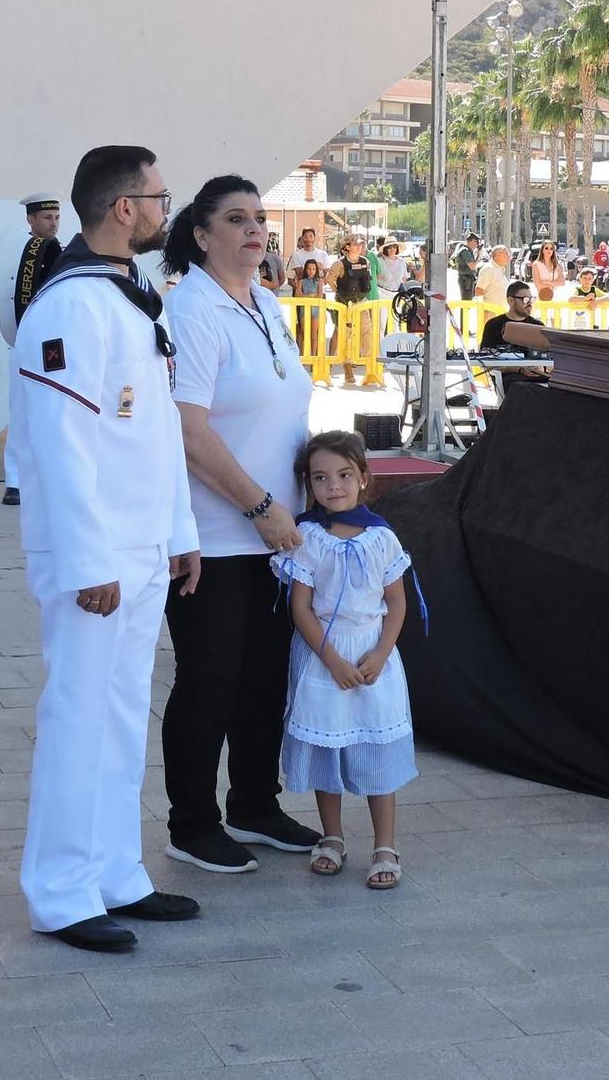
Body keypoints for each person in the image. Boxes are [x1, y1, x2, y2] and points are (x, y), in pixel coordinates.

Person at [14, 145, 200, 952]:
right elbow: (59, 450)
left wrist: (180, 533)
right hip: (96, 556)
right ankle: (60, 891)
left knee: (123, 716)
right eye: (160, 197)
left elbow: (155, 430)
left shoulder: (130, 292)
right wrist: (90, 564)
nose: (168, 210)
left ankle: (116, 871)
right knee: (78, 717)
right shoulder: (69, 306)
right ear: (124, 208)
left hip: (143, 545)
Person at [159, 176, 320, 876]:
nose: (255, 230)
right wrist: (258, 506)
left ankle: (255, 802)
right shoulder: (190, 309)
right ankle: (192, 823)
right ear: (201, 233)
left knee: (265, 679)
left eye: (260, 218)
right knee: (210, 681)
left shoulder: (268, 303)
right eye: (236, 219)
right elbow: (187, 431)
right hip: (217, 536)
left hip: (280, 538)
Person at [270, 431, 416, 891]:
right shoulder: (308, 537)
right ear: (308, 485)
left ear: (364, 478)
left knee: (377, 750)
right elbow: (301, 609)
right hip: (323, 659)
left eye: (344, 475)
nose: (333, 486)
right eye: (321, 478)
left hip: (373, 656)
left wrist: (382, 652)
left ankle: (385, 844)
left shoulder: (382, 538)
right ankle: (331, 836)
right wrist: (331, 660)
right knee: (327, 745)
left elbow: (397, 604)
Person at [0, 192, 65, 506]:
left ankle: (50, 477)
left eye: (56, 217)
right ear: (31, 220)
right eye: (46, 217)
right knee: (21, 412)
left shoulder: (63, 254)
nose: (52, 223)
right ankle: (15, 481)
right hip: (24, 342)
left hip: (54, 346)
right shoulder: (14, 254)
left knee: (55, 413)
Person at [329, 234, 374, 386]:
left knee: (366, 333)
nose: (359, 247)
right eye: (355, 244)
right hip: (344, 303)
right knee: (346, 336)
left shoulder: (365, 262)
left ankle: (370, 366)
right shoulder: (339, 264)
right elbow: (329, 279)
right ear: (347, 247)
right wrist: (338, 292)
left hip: (360, 301)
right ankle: (347, 367)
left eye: (360, 245)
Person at [286, 227, 329, 296]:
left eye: (311, 236)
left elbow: (327, 276)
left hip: (319, 295)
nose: (308, 239)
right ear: (302, 238)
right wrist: (300, 289)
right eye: (306, 236)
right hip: (301, 296)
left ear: (314, 238)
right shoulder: (296, 255)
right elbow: (290, 279)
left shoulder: (323, 254)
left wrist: (318, 288)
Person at [453, 233, 481, 300]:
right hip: (466, 279)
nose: (477, 244)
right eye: (476, 242)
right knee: (466, 301)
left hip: (467, 279)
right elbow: (472, 266)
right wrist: (478, 255)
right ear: (470, 241)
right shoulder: (465, 251)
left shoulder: (467, 251)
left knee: (467, 300)